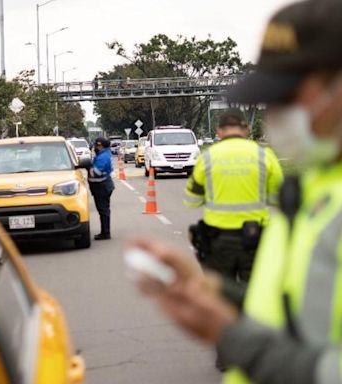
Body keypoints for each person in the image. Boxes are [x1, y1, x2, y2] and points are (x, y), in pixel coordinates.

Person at [133, 1, 342, 383]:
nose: (277, 113)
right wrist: (216, 295)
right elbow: (299, 320)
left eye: (289, 96)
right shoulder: (316, 186)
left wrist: (235, 338)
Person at [184, 109, 283, 284]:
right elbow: (277, 197)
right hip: (254, 238)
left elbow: (191, 200)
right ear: (246, 129)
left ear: (219, 131)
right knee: (255, 294)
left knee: (221, 297)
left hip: (218, 239)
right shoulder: (264, 155)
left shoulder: (207, 158)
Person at [88, 137, 115, 240]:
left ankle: (105, 233)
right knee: (103, 210)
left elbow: (96, 173)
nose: (94, 147)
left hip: (102, 186)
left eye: (95, 145)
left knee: (103, 210)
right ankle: (105, 231)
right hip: (102, 185)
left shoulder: (103, 157)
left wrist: (88, 166)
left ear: (100, 145)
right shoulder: (103, 154)